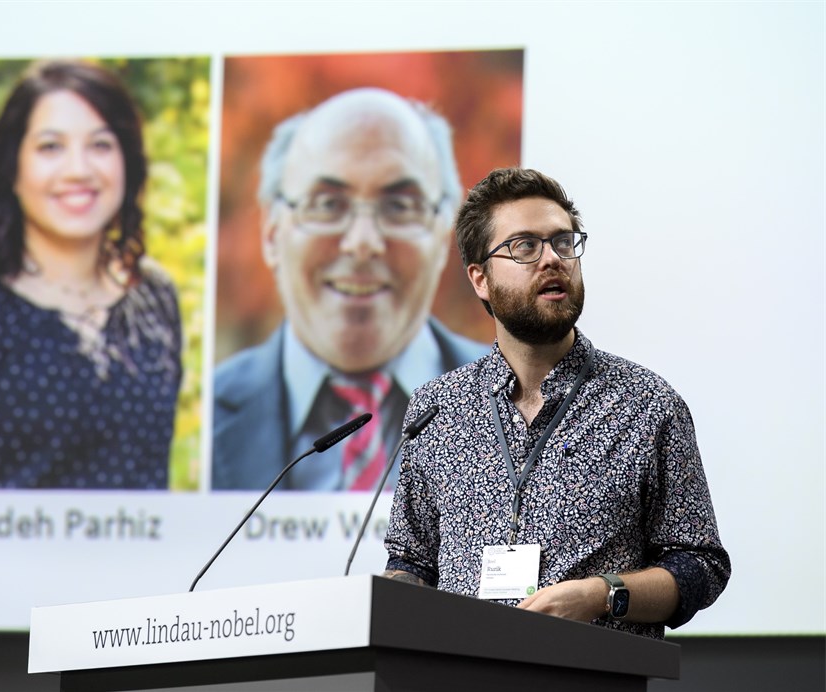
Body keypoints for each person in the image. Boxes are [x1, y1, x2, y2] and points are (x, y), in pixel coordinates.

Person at [383, 168, 730, 638]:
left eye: (563, 242)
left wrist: (601, 595)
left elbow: (700, 565)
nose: (552, 259)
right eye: (525, 246)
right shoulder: (437, 407)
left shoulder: (647, 404)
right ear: (480, 278)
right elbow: (412, 559)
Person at [0, 61, 182, 489]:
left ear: (127, 162)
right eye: (51, 147)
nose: (78, 170)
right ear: (13, 169)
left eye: (101, 146)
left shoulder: (155, 297)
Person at [212, 88, 488, 491]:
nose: (362, 242)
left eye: (400, 206)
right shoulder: (193, 418)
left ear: (445, 232)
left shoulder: (526, 405)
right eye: (326, 204)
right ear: (271, 234)